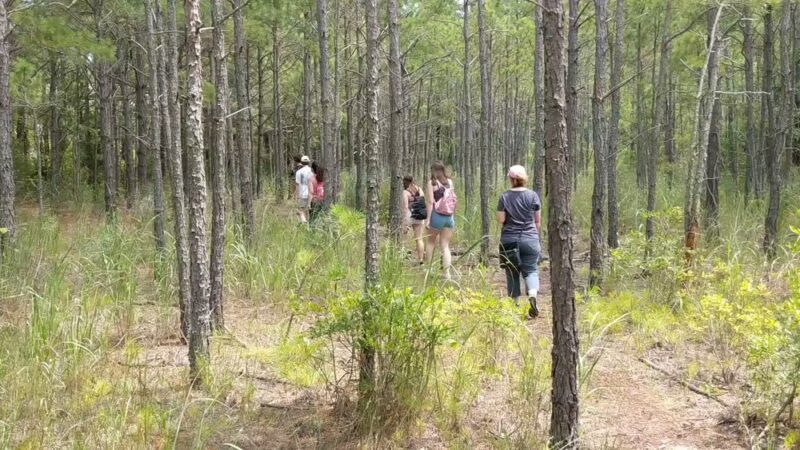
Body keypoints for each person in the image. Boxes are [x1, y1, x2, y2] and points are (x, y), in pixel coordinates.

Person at [497, 165, 541, 319]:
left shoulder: (504, 197)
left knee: (512, 273)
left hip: (509, 240)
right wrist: (536, 237)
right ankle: (533, 295)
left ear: (511, 179)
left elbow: (501, 219)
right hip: (530, 239)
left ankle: (514, 305)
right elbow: (537, 221)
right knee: (531, 270)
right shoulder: (533, 196)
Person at [425, 161, 457, 279]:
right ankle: (447, 273)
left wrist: (428, 219)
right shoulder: (450, 182)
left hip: (437, 215)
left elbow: (430, 202)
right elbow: (453, 198)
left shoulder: (432, 183)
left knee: (430, 242)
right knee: (445, 246)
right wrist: (452, 215)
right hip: (449, 217)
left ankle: (428, 270)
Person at [402, 175, 425, 264]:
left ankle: (403, 255)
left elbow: (405, 207)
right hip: (419, 214)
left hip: (410, 214)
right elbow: (422, 201)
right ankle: (420, 259)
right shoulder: (420, 189)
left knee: (403, 236)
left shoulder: (405, 192)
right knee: (419, 238)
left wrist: (404, 221)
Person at [295, 155, 313, 224]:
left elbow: (297, 185)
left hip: (302, 193)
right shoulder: (312, 171)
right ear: (308, 162)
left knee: (301, 210)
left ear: (301, 163)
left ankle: (304, 222)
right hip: (311, 193)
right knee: (309, 210)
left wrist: (297, 195)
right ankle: (309, 223)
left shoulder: (298, 172)